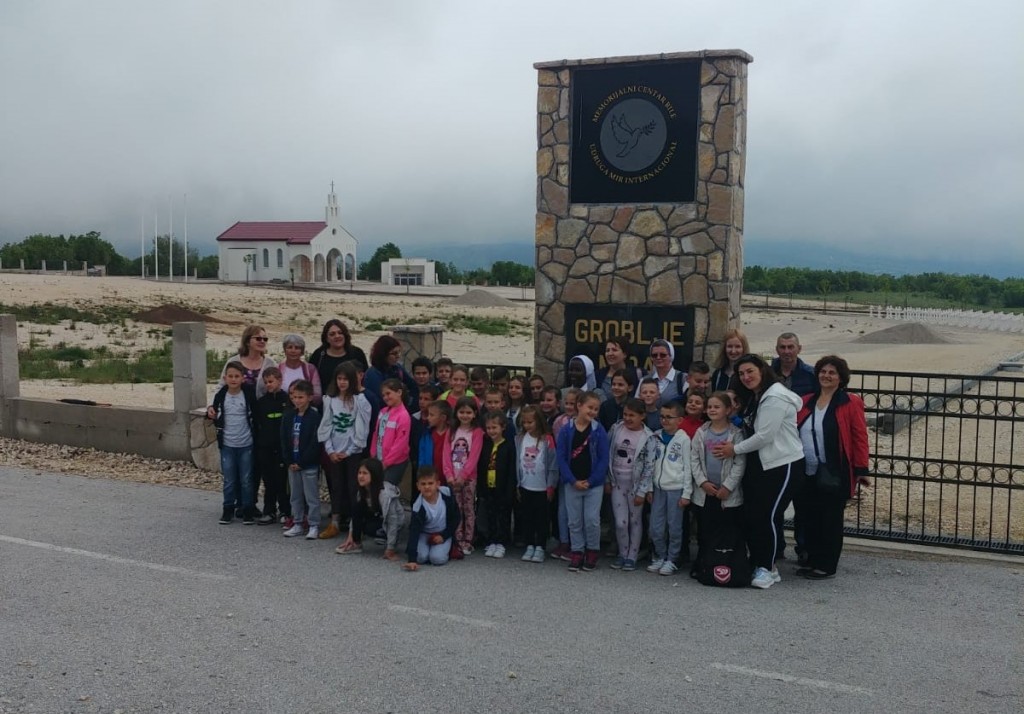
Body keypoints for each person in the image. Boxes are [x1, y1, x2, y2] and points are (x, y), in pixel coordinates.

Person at [713, 354, 804, 590]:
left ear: (762, 370)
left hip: (781, 463)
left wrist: (734, 449)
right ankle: (761, 562)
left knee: (768, 516)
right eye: (741, 373)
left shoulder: (774, 397)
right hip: (762, 464)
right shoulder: (756, 397)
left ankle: (767, 567)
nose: (746, 377)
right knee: (755, 515)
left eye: (750, 371)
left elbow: (765, 436)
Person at [795, 355, 870, 579]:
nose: (826, 376)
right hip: (807, 470)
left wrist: (861, 468)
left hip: (835, 470)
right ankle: (812, 559)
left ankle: (826, 565)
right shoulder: (806, 401)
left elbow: (859, 435)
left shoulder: (850, 402)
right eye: (823, 371)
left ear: (840, 377)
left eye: (832, 373)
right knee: (810, 516)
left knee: (830, 519)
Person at [689, 391, 747, 581]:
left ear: (728, 410)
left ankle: (726, 564)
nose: (712, 410)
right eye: (710, 407)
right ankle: (703, 563)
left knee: (726, 529)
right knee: (705, 529)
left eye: (717, 407)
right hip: (705, 492)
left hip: (726, 494)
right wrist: (702, 482)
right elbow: (694, 459)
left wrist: (728, 487)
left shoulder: (736, 434)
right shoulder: (701, 432)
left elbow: (739, 463)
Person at [556, 391, 610, 572]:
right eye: (590, 407)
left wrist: (592, 480)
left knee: (592, 519)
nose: (593, 412)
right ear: (579, 405)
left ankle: (592, 549)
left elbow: (603, 458)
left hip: (593, 484)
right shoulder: (566, 430)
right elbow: (561, 457)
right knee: (574, 520)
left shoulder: (599, 430)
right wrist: (572, 480)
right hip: (572, 483)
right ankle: (577, 550)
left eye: (596, 409)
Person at [317, 362, 371, 540]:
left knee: (353, 487)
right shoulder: (330, 400)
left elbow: (362, 429)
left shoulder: (360, 401)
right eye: (339, 379)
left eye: (346, 379)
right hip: (334, 451)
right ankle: (334, 522)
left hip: (352, 452)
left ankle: (356, 526)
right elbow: (326, 425)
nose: (342, 382)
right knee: (336, 486)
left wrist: (349, 451)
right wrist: (330, 450)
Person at [606, 397, 657, 571]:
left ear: (642, 416)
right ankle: (622, 553)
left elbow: (650, 465)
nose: (627, 418)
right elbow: (607, 453)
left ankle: (632, 556)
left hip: (635, 485)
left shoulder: (648, 437)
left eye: (632, 415)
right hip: (617, 483)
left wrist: (643, 491)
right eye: (625, 414)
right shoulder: (616, 428)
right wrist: (607, 479)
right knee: (621, 522)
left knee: (635, 520)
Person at [645, 401, 691, 576]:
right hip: (658, 488)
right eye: (662, 417)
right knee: (655, 527)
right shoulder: (655, 437)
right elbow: (650, 464)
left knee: (674, 527)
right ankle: (660, 555)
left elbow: (688, 468)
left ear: (679, 420)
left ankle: (672, 559)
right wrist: (649, 488)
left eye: (669, 417)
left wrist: (687, 493)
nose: (664, 420)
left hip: (676, 488)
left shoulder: (684, 439)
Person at [207, 361, 257, 524]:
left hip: (246, 444)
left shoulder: (248, 394)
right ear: (225, 378)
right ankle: (228, 509)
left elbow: (255, 415)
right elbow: (214, 413)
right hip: (227, 445)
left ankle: (247, 509)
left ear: (243, 378)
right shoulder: (221, 395)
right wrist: (210, 413)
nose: (233, 379)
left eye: (237, 376)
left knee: (246, 479)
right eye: (230, 376)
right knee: (229, 479)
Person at [370, 378, 412, 560]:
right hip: (379, 459)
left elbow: (400, 444)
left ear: (399, 392)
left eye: (389, 393)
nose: (386, 397)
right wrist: (373, 455)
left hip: (394, 462)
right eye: (384, 395)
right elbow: (376, 434)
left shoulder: (403, 416)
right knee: (382, 495)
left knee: (387, 495)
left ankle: (393, 527)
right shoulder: (383, 412)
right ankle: (387, 524)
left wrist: (386, 462)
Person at [516, 404, 558, 563]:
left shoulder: (547, 440)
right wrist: (518, 484)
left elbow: (553, 464)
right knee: (527, 517)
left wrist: (551, 485)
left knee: (542, 518)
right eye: (524, 422)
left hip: (542, 487)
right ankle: (529, 544)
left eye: (530, 422)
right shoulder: (520, 438)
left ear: (538, 421)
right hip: (525, 485)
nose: (527, 425)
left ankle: (540, 546)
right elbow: (518, 462)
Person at [281, 380, 322, 539]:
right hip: (292, 463)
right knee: (295, 495)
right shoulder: (288, 416)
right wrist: (289, 461)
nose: (297, 401)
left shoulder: (314, 417)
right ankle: (297, 522)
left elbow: (315, 442)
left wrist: (302, 462)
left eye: (301, 397)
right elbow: (284, 439)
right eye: (295, 397)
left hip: (308, 464)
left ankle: (313, 524)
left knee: (311, 496)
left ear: (309, 397)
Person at [443, 396, 483, 556]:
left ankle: (468, 539)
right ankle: (457, 539)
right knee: (456, 508)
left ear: (474, 414)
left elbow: (474, 456)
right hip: (453, 477)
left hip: (468, 478)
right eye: (462, 412)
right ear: (456, 413)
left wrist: (463, 476)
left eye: (468, 412)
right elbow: (446, 454)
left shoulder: (477, 432)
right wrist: (449, 474)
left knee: (468, 508)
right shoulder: (451, 431)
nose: (465, 415)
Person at [403, 467, 461, 571]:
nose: (427, 487)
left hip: (443, 532)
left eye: (430, 483)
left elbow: (456, 517)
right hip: (425, 533)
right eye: (423, 484)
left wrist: (444, 536)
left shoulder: (447, 495)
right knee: (420, 558)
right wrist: (412, 559)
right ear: (418, 486)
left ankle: (449, 547)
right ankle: (427, 549)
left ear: (438, 484)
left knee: (437, 559)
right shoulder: (418, 506)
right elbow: (414, 531)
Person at [253, 367, 290, 525]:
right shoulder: (261, 402)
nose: (268, 385)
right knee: (268, 481)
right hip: (266, 447)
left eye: (271, 381)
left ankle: (285, 510)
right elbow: (257, 424)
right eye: (266, 382)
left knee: (282, 481)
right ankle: (269, 511)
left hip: (282, 448)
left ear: (280, 381)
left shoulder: (287, 400)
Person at [478, 411, 517, 559]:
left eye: (494, 427)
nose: (491, 431)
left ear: (503, 427)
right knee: (490, 514)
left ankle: (501, 542)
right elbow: (481, 467)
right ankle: (491, 540)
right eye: (488, 428)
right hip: (488, 486)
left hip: (503, 487)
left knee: (503, 516)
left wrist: (510, 490)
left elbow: (511, 470)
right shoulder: (486, 445)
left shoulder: (508, 446)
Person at [335, 457, 384, 555]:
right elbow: (355, 515)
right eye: (359, 473)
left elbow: (393, 521)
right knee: (357, 507)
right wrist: (351, 536)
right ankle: (356, 543)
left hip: (389, 525)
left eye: (365, 473)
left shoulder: (384, 494)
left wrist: (390, 549)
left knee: (371, 528)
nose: (361, 476)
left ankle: (386, 539)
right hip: (375, 519)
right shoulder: (361, 491)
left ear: (374, 475)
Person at [217, 324, 277, 398]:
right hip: (236, 403)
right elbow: (221, 385)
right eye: (258, 338)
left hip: (263, 404)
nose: (262, 341)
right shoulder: (233, 361)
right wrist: (214, 403)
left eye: (265, 339)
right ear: (247, 342)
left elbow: (277, 387)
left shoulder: (271, 364)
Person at [309, 319, 368, 390]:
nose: (337, 336)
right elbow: (310, 378)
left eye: (340, 333)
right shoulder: (319, 355)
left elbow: (365, 378)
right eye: (332, 334)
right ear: (326, 338)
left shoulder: (357, 353)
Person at [364, 336, 417, 409]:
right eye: (394, 353)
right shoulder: (372, 374)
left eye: (399, 352)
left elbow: (412, 385)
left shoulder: (397, 368)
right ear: (383, 354)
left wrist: (410, 404)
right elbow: (381, 399)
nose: (398, 356)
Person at [277, 333, 323, 405]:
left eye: (297, 348)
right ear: (285, 350)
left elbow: (317, 395)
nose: (293, 350)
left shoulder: (311, 369)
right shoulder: (277, 369)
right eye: (290, 347)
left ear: (302, 351)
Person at [639, 338, 686, 406]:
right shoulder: (644, 380)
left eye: (663, 355)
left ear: (670, 356)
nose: (658, 358)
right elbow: (637, 405)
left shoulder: (683, 379)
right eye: (654, 355)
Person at [595, 336, 643, 401]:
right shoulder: (598, 375)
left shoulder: (637, 374)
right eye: (607, 350)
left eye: (614, 350)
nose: (610, 353)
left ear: (624, 354)